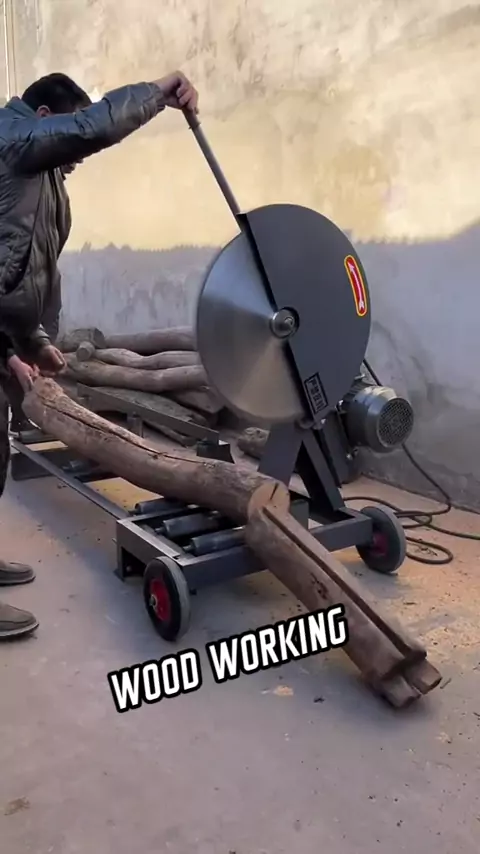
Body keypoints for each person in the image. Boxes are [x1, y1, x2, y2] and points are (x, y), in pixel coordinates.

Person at [0, 69, 198, 640]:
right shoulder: (11, 140)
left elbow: (30, 270)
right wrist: (158, 93)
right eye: (67, 134)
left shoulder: (45, 181)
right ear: (43, 120)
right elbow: (91, 128)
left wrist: (36, 342)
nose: (78, 156)